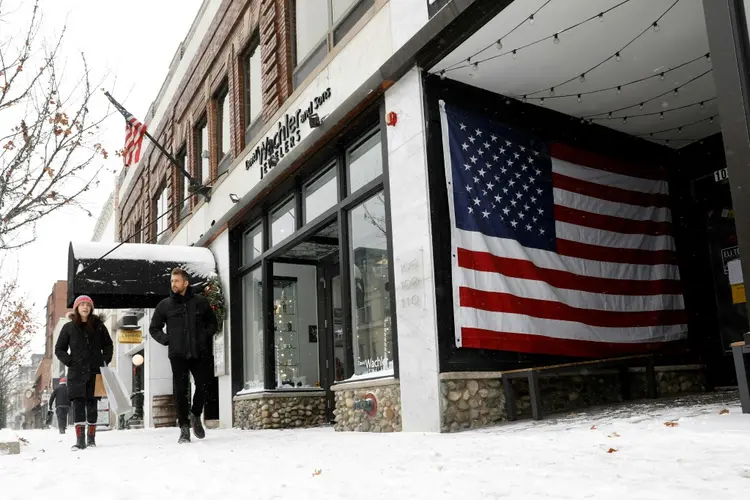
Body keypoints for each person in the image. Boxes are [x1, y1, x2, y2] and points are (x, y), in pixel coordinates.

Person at [149, 267, 217, 444]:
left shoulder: (201, 302)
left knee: (203, 385)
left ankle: (195, 414)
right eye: (172, 281)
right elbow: (154, 328)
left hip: (199, 352)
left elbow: (213, 323)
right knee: (180, 391)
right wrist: (166, 340)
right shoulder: (165, 305)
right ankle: (184, 428)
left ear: (186, 283)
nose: (173, 284)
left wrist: (204, 336)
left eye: (176, 281)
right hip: (177, 354)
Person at [55, 295, 113, 450]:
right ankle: (80, 440)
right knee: (78, 405)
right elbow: (59, 349)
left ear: (91, 308)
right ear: (76, 308)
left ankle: (91, 438)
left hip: (95, 372)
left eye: (88, 305)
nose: (85, 307)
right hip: (76, 373)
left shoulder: (99, 326)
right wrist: (69, 361)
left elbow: (108, 345)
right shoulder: (68, 327)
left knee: (92, 404)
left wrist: (104, 360)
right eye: (82, 305)